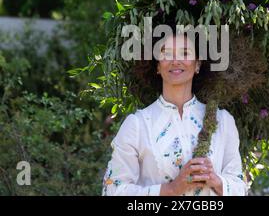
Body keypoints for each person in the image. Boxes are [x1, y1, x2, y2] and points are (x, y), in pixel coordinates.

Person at [102, 32, 247, 196]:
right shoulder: (137, 125)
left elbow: (240, 187)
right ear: (157, 65)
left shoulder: (223, 121)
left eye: (185, 53)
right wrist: (171, 189)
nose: (175, 61)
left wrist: (216, 180)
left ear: (197, 64)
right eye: (167, 53)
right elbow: (112, 190)